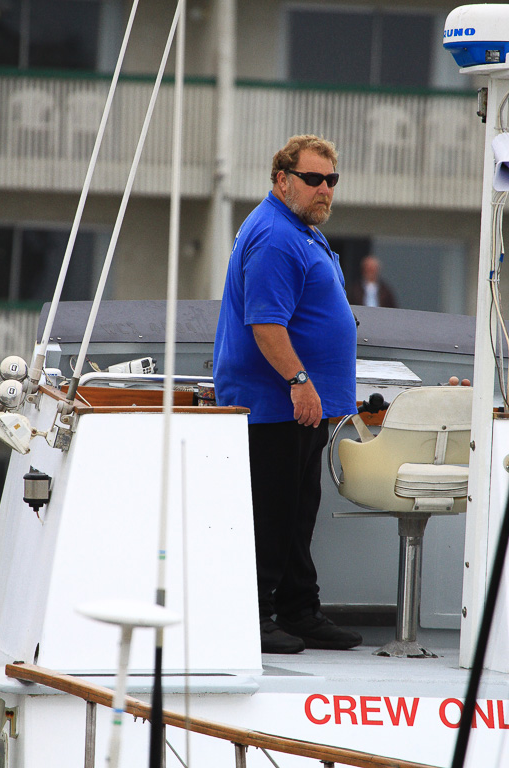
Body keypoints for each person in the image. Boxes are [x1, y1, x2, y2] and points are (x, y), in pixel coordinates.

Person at [213, 134, 363, 654]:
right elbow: (266, 324)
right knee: (272, 514)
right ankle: (253, 616)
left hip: (301, 406)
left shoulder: (300, 230)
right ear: (282, 179)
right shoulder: (277, 236)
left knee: (298, 512)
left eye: (331, 180)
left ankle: (299, 609)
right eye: (313, 179)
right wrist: (300, 383)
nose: (324, 189)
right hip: (277, 404)